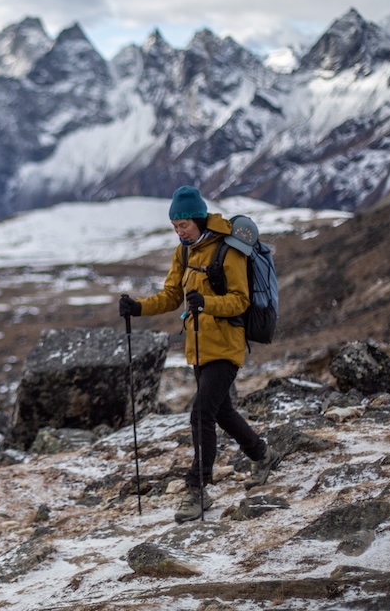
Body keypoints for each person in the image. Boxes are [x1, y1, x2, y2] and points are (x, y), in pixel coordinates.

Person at [118, 185, 280, 523]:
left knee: (200, 414)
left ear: (198, 218)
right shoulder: (185, 252)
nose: (180, 232)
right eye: (175, 227)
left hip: (226, 345)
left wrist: (207, 303)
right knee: (220, 412)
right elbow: (170, 296)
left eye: (184, 226)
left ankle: (198, 488)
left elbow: (240, 300)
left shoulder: (228, 249)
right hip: (197, 347)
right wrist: (137, 307)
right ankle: (261, 454)